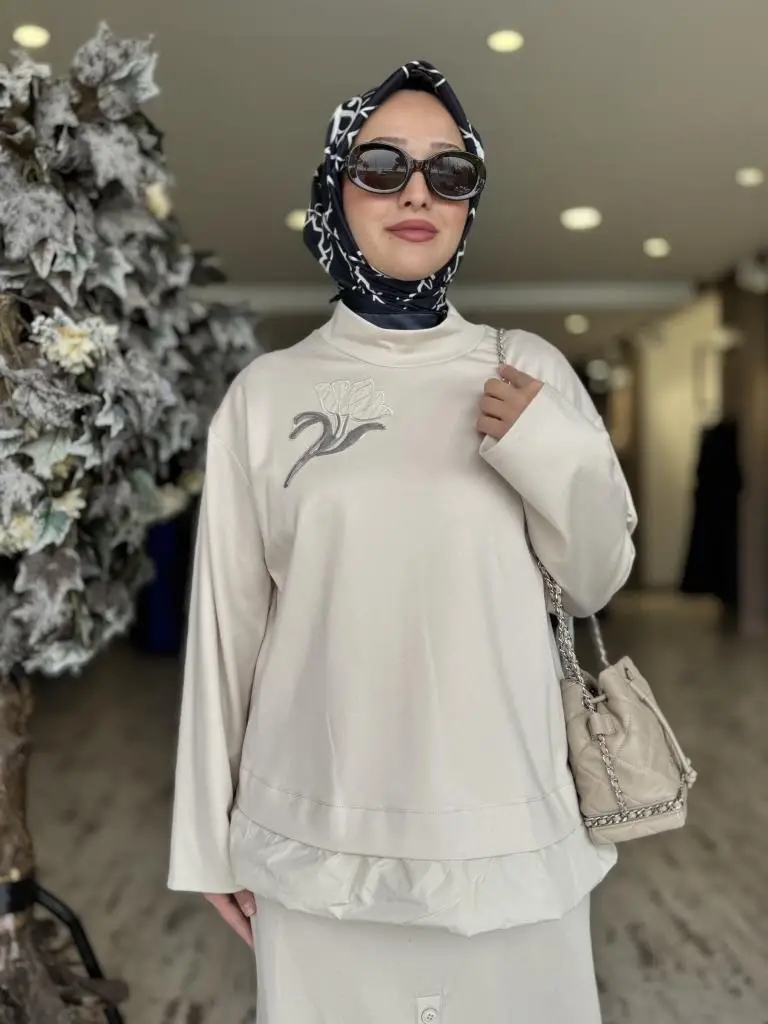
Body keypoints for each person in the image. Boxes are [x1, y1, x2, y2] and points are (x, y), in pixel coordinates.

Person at [168, 60, 636, 1023]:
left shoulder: (526, 371)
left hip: (509, 831)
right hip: (315, 836)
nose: (417, 193)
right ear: (334, 188)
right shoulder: (267, 395)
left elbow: (595, 579)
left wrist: (547, 447)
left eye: (449, 172)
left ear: (470, 202)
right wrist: (206, 844)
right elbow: (226, 633)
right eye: (382, 166)